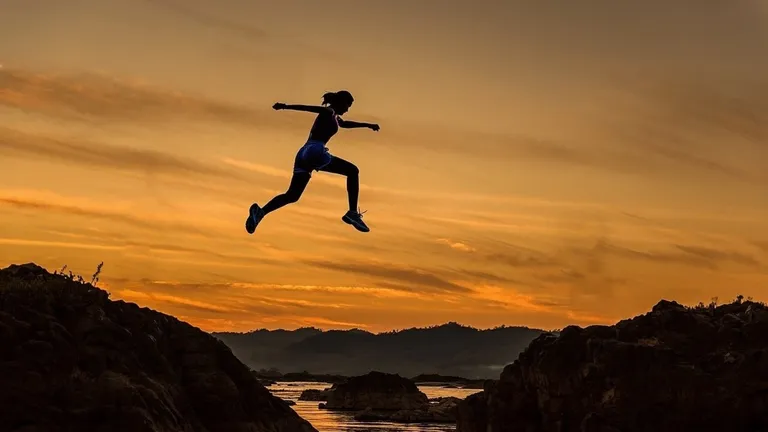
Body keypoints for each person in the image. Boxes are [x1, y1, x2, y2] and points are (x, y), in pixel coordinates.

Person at [245, 90, 379, 234]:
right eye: (348, 105)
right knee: (353, 171)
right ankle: (352, 212)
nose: (348, 109)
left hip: (303, 154)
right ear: (341, 102)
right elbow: (309, 108)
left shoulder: (335, 117)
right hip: (315, 150)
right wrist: (285, 106)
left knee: (292, 195)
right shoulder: (329, 111)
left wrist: (368, 125)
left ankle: (261, 212)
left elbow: (345, 124)